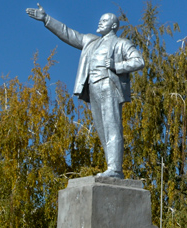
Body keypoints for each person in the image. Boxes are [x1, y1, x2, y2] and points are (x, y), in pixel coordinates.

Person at [26, 4, 144, 179]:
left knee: (112, 127)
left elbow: (138, 61)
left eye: (104, 20)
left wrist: (116, 66)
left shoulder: (121, 43)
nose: (100, 22)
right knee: (101, 129)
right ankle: (111, 166)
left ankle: (115, 169)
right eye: (100, 20)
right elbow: (68, 33)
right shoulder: (91, 40)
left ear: (113, 25)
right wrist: (46, 19)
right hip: (94, 87)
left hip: (109, 85)